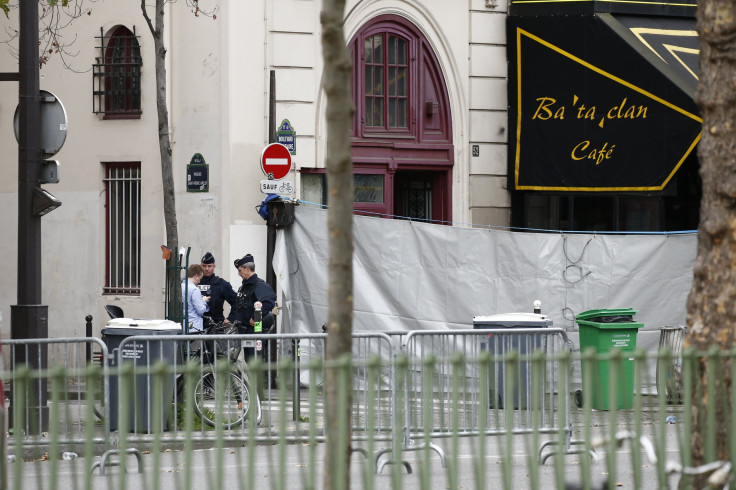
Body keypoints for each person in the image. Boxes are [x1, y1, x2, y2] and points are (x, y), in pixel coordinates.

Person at [227, 254, 276, 367]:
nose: (239, 274)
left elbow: (269, 302)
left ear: (247, 269)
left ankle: (260, 385)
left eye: (240, 270)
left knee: (255, 362)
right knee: (250, 361)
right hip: (244, 331)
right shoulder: (244, 287)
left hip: (254, 331)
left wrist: (255, 318)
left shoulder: (259, 285)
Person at [197, 252, 238, 323]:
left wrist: (230, 318)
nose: (206, 269)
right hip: (196, 325)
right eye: (204, 266)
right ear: (200, 266)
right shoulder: (194, 283)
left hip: (215, 326)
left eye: (209, 266)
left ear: (214, 266)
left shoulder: (221, 284)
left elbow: (236, 302)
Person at [182, 264, 210, 333]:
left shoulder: (181, 286)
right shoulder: (194, 289)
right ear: (196, 276)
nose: (199, 282)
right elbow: (200, 310)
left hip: (183, 326)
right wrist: (203, 301)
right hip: (194, 327)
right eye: (200, 278)